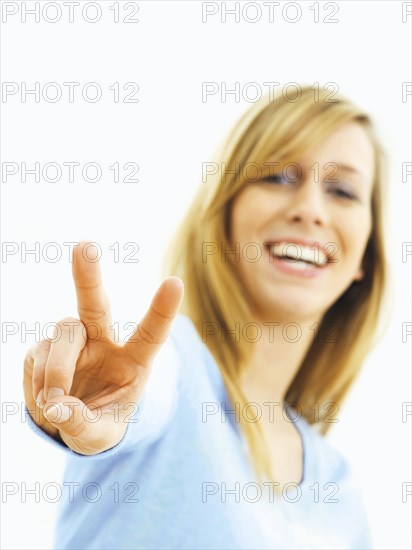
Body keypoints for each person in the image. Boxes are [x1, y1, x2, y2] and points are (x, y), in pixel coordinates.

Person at [23, 85, 388, 549]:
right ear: (227, 215)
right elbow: (143, 397)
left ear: (365, 258)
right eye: (277, 177)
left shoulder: (339, 489)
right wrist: (101, 407)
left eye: (342, 191)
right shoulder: (175, 367)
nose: (310, 210)